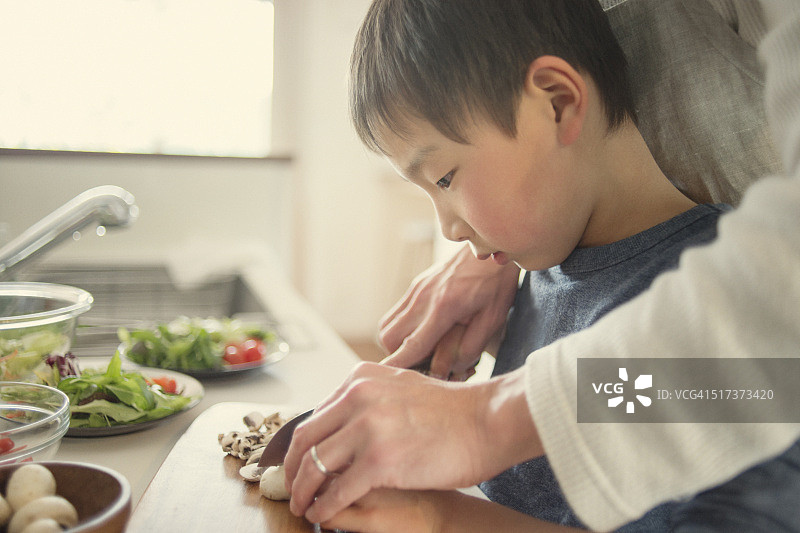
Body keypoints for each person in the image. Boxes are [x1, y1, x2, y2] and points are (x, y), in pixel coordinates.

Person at [284, 0, 800, 531]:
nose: (449, 231)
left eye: (444, 178)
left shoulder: (706, 305)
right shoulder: (546, 264)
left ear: (557, 103)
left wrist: (440, 517)